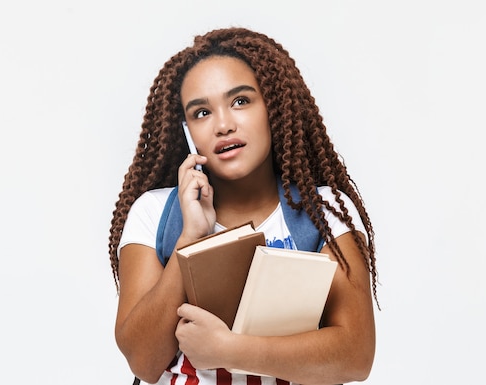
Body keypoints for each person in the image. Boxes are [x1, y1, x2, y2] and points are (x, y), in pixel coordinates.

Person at [109, 27, 378, 385]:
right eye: (202, 112)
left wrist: (229, 350)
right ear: (187, 129)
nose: (223, 125)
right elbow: (143, 361)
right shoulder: (155, 213)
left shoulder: (322, 212)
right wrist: (190, 239)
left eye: (240, 101)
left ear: (273, 106)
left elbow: (355, 356)